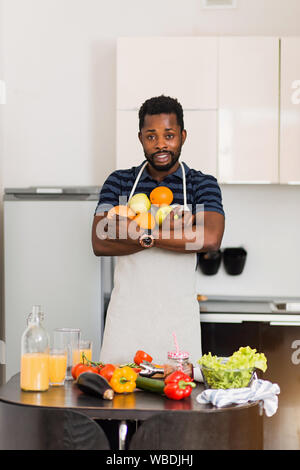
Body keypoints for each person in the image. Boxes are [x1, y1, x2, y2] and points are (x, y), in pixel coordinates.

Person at [92, 95, 225, 368]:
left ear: (183, 136)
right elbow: (100, 241)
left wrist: (140, 233)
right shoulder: (119, 183)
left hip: (176, 325)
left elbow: (209, 239)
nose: (161, 144)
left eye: (169, 135)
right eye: (151, 136)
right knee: (119, 403)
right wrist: (175, 234)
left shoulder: (202, 185)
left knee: (177, 404)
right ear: (140, 138)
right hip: (127, 323)